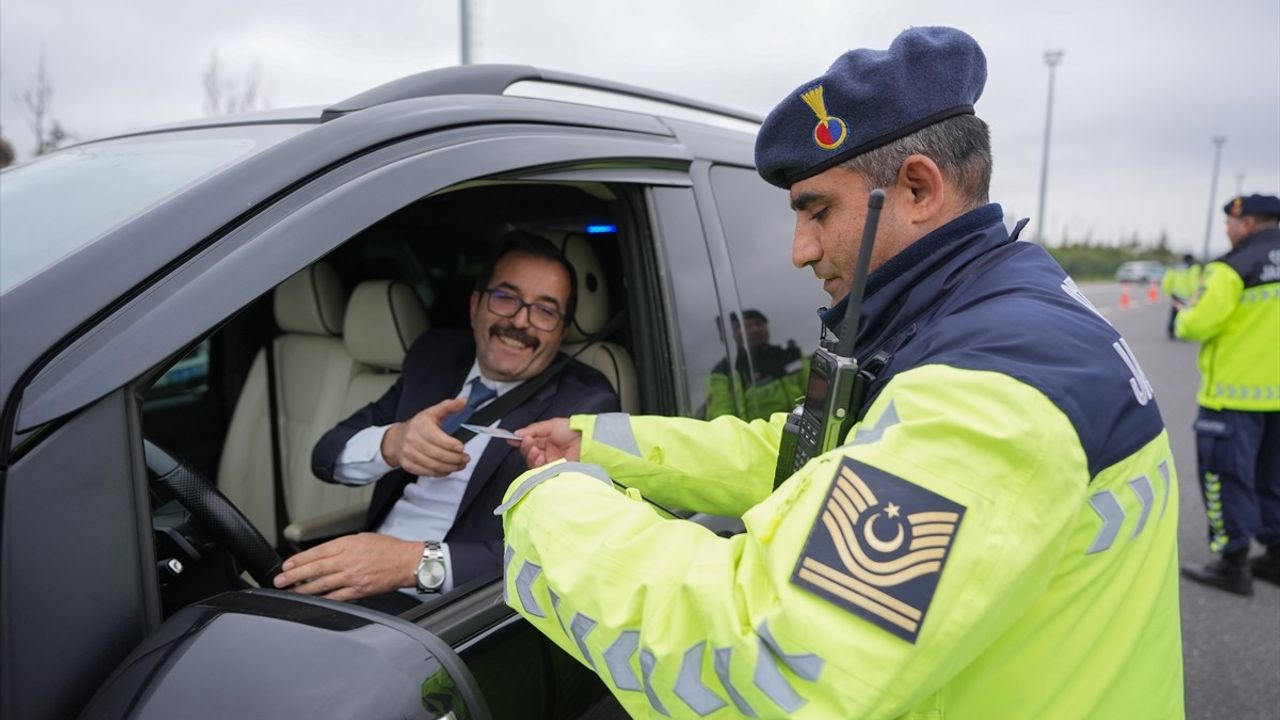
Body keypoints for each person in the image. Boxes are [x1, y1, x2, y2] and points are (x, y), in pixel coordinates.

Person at [502, 27, 1183, 718]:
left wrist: (548, 502)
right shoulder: (990, 314)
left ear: (917, 187)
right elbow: (814, 455)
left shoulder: (988, 393)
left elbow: (771, 658)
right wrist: (596, 443)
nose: (799, 251)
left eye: (817, 211)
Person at [271, 231, 618, 610]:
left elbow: (557, 554)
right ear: (475, 306)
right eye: (506, 298)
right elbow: (326, 457)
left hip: (455, 615)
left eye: (545, 311)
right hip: (355, 578)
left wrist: (414, 565)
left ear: (562, 330)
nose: (520, 321)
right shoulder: (434, 356)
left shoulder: (584, 403)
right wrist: (394, 443)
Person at [1176, 193, 1280, 595]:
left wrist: (1185, 314)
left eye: (1231, 224)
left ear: (1248, 223)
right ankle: (1274, 556)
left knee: (1225, 479)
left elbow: (1197, 326)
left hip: (1234, 398)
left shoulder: (1234, 267)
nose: (1228, 230)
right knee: (1271, 480)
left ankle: (1232, 563)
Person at [706, 309, 807, 421]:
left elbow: (817, 391)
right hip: (762, 437)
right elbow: (721, 419)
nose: (755, 329)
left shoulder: (789, 354)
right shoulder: (722, 373)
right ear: (726, 337)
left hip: (806, 429)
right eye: (746, 326)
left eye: (759, 323)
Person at [1162, 253, 1202, 339]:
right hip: (1187, 296)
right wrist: (1195, 294)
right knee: (1185, 313)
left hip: (1175, 294)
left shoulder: (1175, 267)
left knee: (1174, 314)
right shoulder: (1194, 268)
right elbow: (1194, 282)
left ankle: (1171, 332)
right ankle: (1182, 332)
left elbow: (1167, 279)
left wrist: (1167, 291)